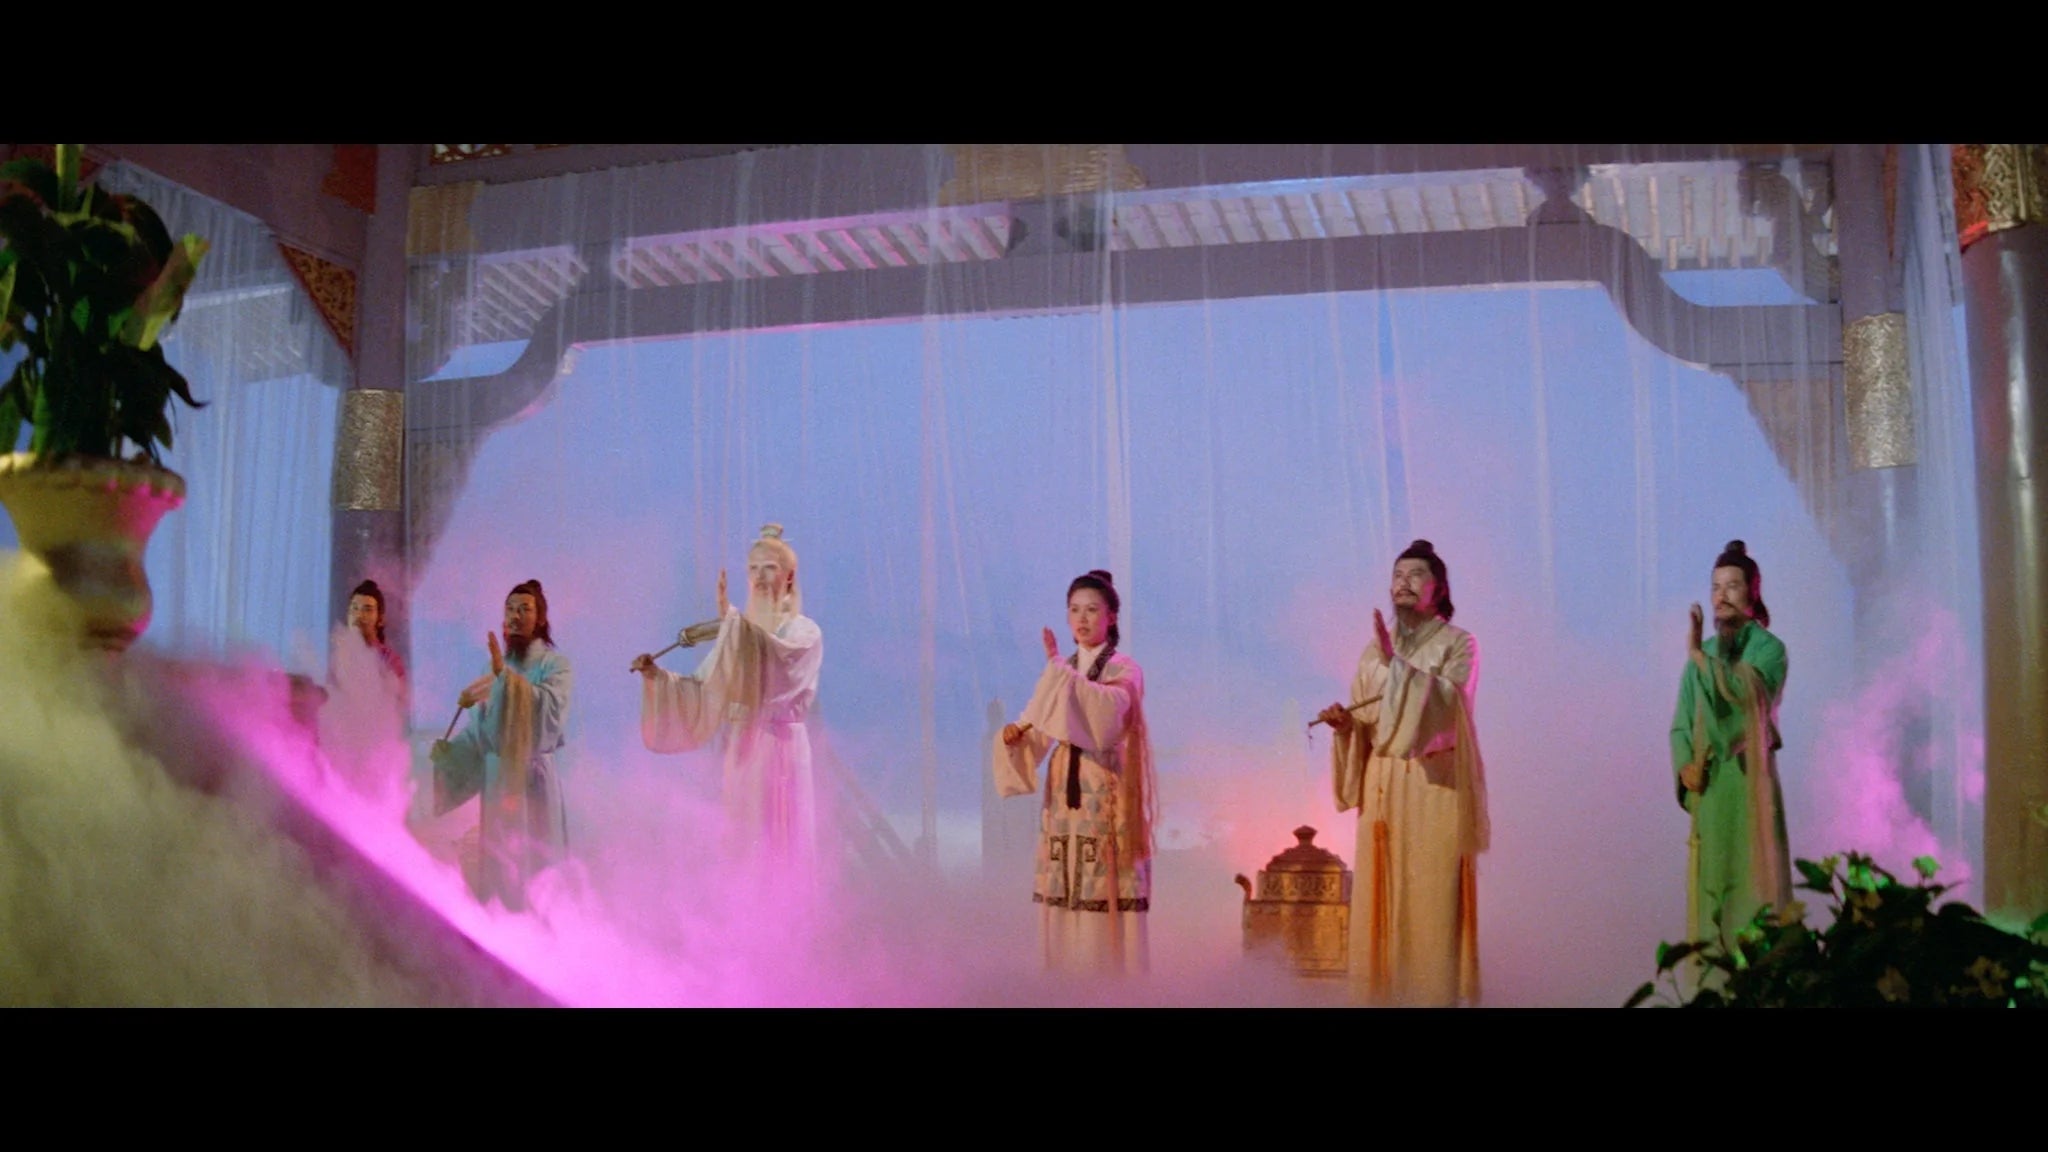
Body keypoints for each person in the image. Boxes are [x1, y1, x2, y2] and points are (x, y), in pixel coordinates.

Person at [1317, 539, 1488, 1006]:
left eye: (1415, 575)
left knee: (1430, 902)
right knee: (1381, 902)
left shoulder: (1459, 643)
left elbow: (1450, 711)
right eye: (1397, 575)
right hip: (1383, 790)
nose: (1403, 583)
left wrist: (1396, 667)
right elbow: (1368, 721)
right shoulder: (1373, 652)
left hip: (1434, 789)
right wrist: (1346, 725)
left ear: (1439, 588)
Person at [993, 569, 1158, 974]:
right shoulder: (1061, 669)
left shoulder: (1124, 669)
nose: (1082, 619)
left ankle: (1110, 985)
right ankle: (1063, 984)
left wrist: (1059, 673)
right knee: (1065, 885)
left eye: (1092, 610)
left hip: (1107, 791)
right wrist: (1015, 738)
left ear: (1111, 617)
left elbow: (1104, 721)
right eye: (1074, 610)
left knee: (1103, 888)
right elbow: (1038, 725)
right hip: (1064, 799)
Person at [636, 524, 824, 877]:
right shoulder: (739, 633)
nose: (760, 577)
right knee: (742, 842)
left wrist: (734, 624)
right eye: (753, 569)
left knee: (779, 839)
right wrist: (656, 677)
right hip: (743, 748)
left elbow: (778, 666)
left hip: (779, 747)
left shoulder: (804, 632)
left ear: (788, 576)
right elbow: (705, 687)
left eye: (769, 567)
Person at [1670, 539, 1791, 950]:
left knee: (1755, 895)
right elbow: (1681, 725)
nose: (1721, 596)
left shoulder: (1770, 651)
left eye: (1732, 586)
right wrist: (1685, 766)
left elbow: (1745, 714)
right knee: (1712, 905)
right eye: (1715, 587)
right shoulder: (1702, 654)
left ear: (1752, 594)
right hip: (1711, 795)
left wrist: (1701, 660)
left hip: (1749, 791)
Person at [430, 579, 573, 909]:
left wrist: (504, 679)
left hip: (533, 781)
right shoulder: (491, 667)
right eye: (510, 609)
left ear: (540, 618)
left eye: (525, 609)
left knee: (535, 862)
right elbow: (481, 733)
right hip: (499, 783)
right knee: (499, 863)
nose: (515, 616)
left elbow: (549, 716)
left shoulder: (555, 666)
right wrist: (450, 753)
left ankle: (541, 926)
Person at [341, 579, 406, 685]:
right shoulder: (341, 657)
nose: (359, 615)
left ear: (380, 619)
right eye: (354, 608)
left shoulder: (390, 661)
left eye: (367, 609)